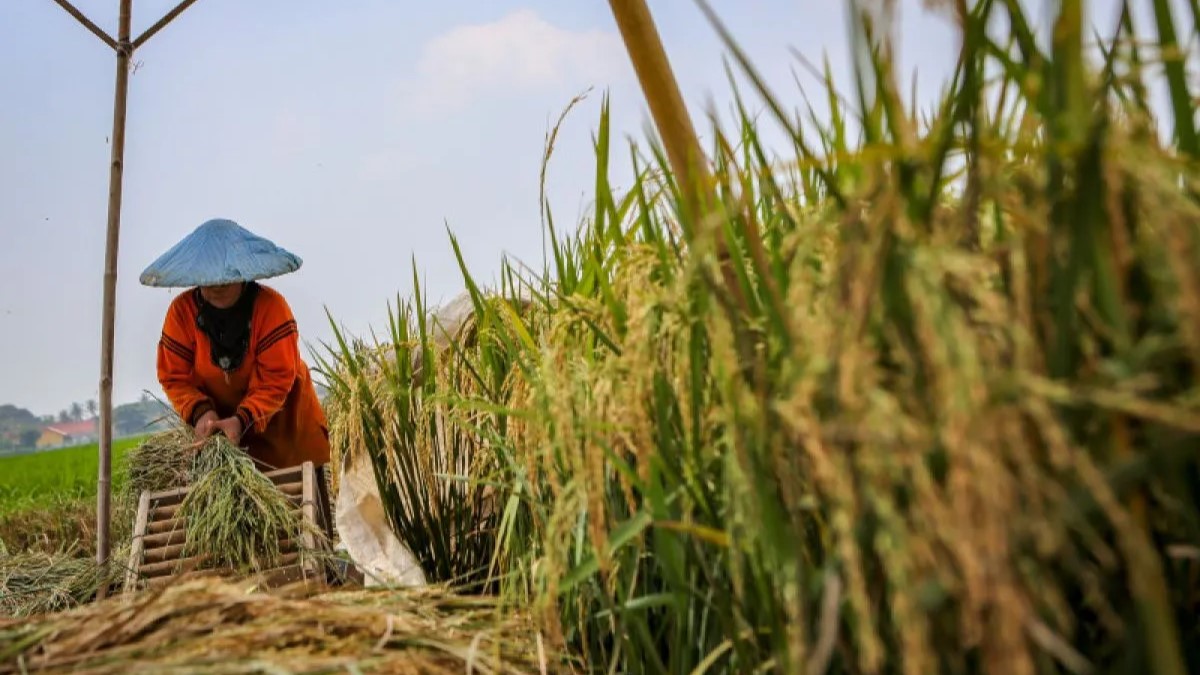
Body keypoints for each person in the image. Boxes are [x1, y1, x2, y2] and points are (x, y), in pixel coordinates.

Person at [140, 218, 331, 470]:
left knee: (302, 501)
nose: (217, 284)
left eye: (225, 276)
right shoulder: (181, 314)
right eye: (210, 277)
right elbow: (174, 377)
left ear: (243, 272)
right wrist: (202, 413)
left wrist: (242, 420)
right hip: (224, 437)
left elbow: (276, 379)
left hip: (287, 429)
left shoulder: (272, 309)